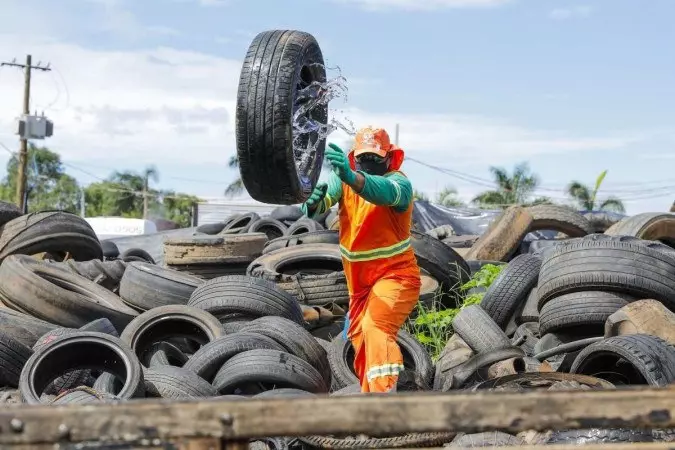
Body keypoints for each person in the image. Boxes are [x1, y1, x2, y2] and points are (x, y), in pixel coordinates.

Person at [301, 126, 421, 393]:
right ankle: (371, 397)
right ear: (355, 157)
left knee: (376, 326)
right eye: (365, 158)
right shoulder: (343, 180)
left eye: (376, 158)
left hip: (396, 277)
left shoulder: (399, 183)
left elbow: (381, 192)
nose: (370, 163)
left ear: (390, 158)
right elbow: (322, 202)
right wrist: (311, 202)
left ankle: (384, 399)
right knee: (358, 338)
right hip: (360, 286)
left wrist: (351, 176)